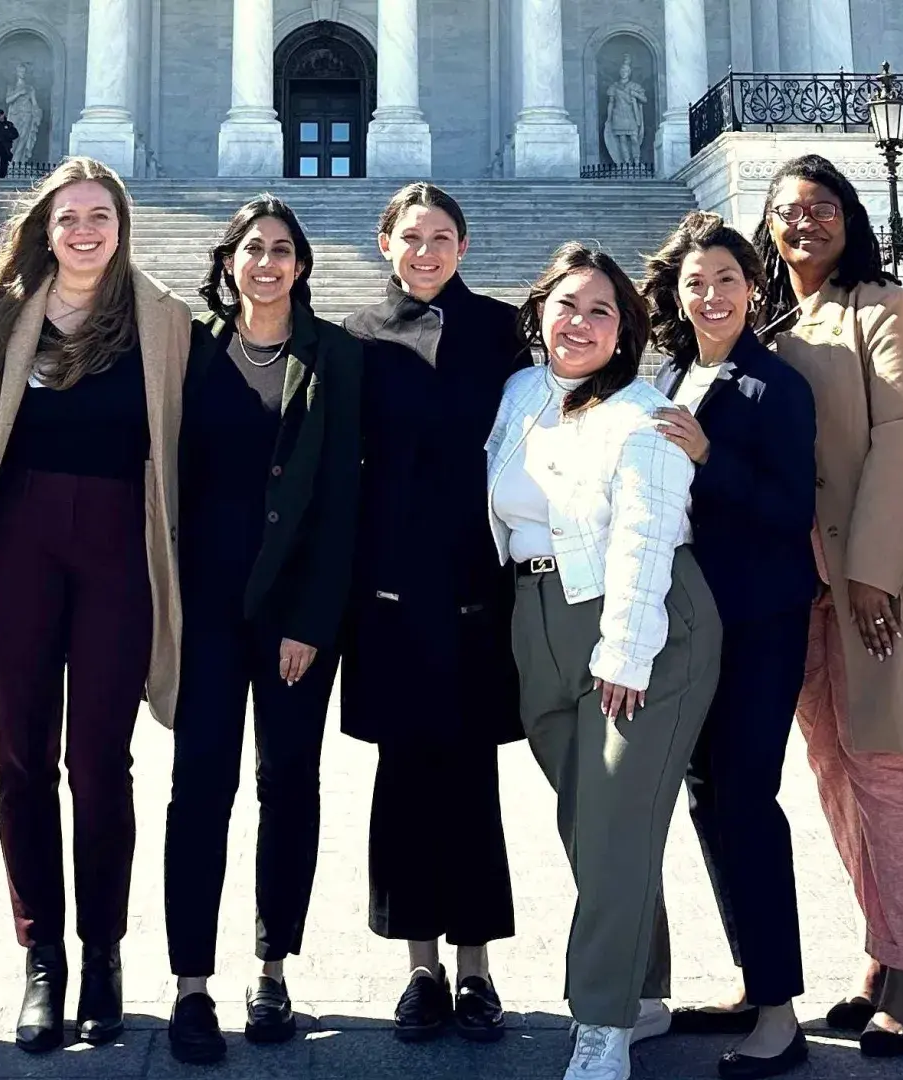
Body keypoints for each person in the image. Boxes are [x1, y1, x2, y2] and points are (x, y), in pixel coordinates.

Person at [0, 157, 193, 1054]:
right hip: (20, 540)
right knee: (22, 757)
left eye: (101, 215)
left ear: (123, 226)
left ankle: (104, 955)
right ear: (43, 228)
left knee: (101, 761)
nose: (85, 230)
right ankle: (40, 956)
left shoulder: (163, 320)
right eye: (68, 217)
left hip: (119, 547)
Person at [751, 154, 903, 1059]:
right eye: (787, 212)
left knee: (886, 767)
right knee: (834, 772)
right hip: (795, 587)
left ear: (850, 218)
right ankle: (881, 954)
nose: (803, 224)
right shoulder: (770, 325)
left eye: (820, 209)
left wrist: (875, 570)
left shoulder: (885, 308)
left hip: (871, 585)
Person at [488, 244, 721, 1080]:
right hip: (537, 618)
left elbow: (648, 536)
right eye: (567, 306)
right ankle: (645, 989)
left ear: (624, 331)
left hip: (644, 625)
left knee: (618, 828)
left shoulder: (643, 412)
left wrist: (624, 649)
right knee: (588, 823)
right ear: (539, 312)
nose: (580, 324)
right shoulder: (519, 396)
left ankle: (602, 1023)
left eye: (601, 311)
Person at [163, 196, 363, 1064]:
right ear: (229, 260)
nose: (269, 263)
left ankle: (273, 966)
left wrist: (313, 619)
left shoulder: (337, 356)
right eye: (255, 249)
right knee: (198, 790)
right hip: (205, 609)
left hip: (294, 620)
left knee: (290, 788)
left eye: (283, 250)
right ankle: (190, 983)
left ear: (303, 265)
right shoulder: (191, 351)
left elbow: (344, 500)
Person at [341, 182, 525, 1043]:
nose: (426, 250)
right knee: (404, 781)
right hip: (386, 591)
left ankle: (478, 968)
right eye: (411, 236)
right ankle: (419, 967)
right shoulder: (356, 338)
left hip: (478, 586)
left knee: (474, 780)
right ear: (385, 242)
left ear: (464, 245)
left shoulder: (499, 330)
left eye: (442, 236)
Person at [638, 212, 818, 1079]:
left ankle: (781, 1014)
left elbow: (791, 510)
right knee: (710, 800)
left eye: (726, 281)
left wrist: (711, 457)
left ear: (754, 289)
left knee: (746, 799)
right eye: (695, 283)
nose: (711, 296)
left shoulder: (775, 384)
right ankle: (756, 982)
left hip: (759, 622)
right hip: (692, 622)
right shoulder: (673, 372)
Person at [0, 110, 20, 179]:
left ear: (3, 115)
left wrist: (8, 137)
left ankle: (2, 176)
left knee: (4, 162)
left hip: (6, 146)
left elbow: (16, 134)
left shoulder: (9, 124)